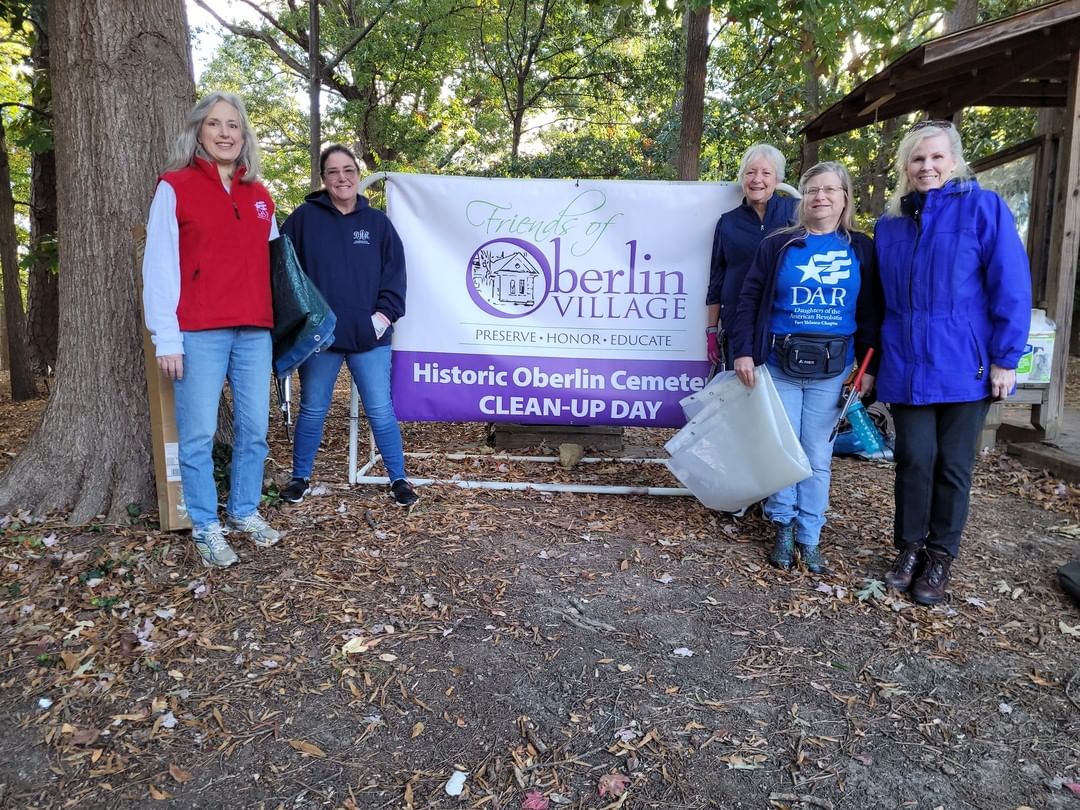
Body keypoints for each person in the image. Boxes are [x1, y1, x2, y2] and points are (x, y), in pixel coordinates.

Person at [875, 121, 1031, 606]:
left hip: (965, 364)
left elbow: (1011, 286)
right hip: (906, 362)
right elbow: (881, 300)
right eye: (919, 159)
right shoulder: (890, 225)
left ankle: (940, 556)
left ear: (955, 161)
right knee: (913, 460)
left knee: (953, 465)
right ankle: (909, 547)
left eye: (937, 158)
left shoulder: (983, 209)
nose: (928, 167)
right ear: (906, 166)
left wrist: (1006, 359)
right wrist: (877, 360)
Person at [143, 91, 281, 568]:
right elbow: (158, 264)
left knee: (256, 430)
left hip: (255, 331)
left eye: (234, 125)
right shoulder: (174, 186)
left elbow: (279, 272)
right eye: (215, 124)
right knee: (198, 434)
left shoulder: (261, 196)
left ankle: (244, 512)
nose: (225, 133)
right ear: (199, 132)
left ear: (244, 137)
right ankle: (205, 524)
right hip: (199, 330)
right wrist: (167, 335)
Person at [731, 161, 882, 574]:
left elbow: (872, 311)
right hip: (779, 362)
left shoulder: (861, 247)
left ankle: (809, 535)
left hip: (834, 368)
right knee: (783, 450)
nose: (820, 197)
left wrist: (869, 366)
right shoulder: (779, 244)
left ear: (844, 197)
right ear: (801, 196)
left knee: (817, 454)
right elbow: (749, 299)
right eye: (813, 189)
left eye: (830, 190)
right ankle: (781, 524)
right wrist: (742, 351)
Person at [279, 145, 418, 507]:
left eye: (348, 171)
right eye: (333, 172)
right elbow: (283, 274)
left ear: (357, 175)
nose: (342, 178)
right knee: (313, 407)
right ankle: (300, 477)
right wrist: (301, 322)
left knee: (380, 409)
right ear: (323, 178)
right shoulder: (303, 220)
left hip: (370, 337)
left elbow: (396, 277)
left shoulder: (378, 224)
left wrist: (380, 319)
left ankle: (398, 478)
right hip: (320, 338)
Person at [706, 144, 798, 369]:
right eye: (750, 172)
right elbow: (717, 280)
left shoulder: (797, 213)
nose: (757, 179)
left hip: (785, 326)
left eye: (766, 173)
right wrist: (711, 331)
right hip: (738, 325)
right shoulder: (727, 222)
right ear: (742, 178)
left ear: (777, 179)